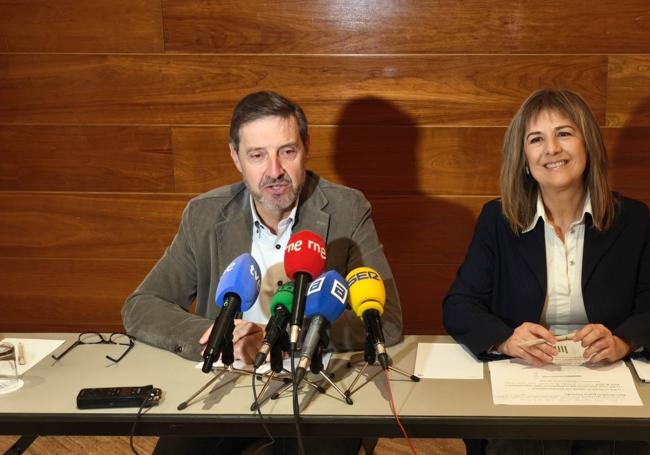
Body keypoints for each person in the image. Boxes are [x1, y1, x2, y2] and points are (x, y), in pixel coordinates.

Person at [122, 91, 402, 454]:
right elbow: (141, 305)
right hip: (229, 381)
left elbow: (387, 321)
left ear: (306, 150)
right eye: (257, 155)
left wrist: (284, 338)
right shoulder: (205, 215)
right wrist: (217, 334)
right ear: (236, 158)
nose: (274, 171)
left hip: (315, 382)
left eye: (287, 151)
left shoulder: (347, 209)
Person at [443, 88, 650, 455]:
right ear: (524, 159)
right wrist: (506, 339)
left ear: (588, 145)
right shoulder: (497, 220)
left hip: (606, 383)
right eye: (536, 139)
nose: (551, 148)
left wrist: (622, 340)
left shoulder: (633, 219)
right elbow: (459, 305)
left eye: (565, 133)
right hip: (528, 380)